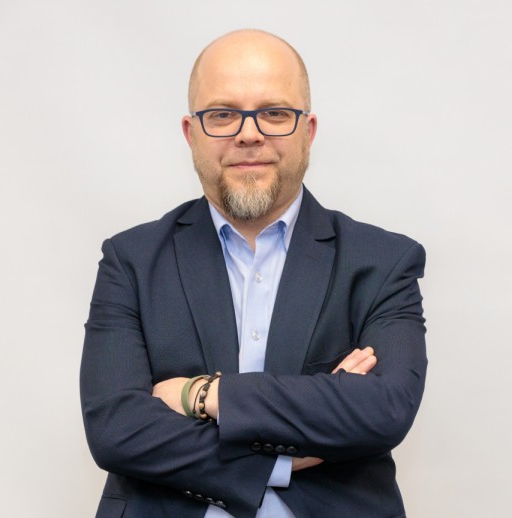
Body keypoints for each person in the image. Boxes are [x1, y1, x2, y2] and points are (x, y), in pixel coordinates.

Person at [80, 29, 427, 518]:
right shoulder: (130, 260)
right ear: (191, 133)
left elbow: (385, 409)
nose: (249, 133)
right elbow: (115, 430)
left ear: (307, 131)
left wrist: (202, 394)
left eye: (275, 113)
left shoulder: (384, 261)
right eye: (222, 114)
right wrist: (284, 458)